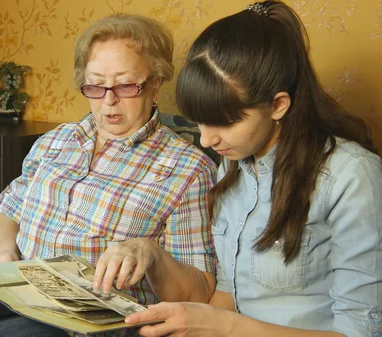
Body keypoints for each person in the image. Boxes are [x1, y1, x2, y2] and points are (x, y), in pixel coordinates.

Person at [0, 13, 217, 337]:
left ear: (155, 83)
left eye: (125, 85)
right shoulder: (56, 141)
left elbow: (200, 292)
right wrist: (6, 252)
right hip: (18, 298)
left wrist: (149, 253)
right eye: (95, 85)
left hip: (95, 324)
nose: (109, 101)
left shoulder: (187, 168)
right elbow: (8, 212)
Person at [105, 1, 382, 336]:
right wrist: (155, 262)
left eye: (223, 122)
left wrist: (226, 326)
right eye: (199, 122)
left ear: (278, 105)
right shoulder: (234, 168)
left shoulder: (353, 177)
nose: (205, 140)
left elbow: (362, 332)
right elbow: (228, 295)